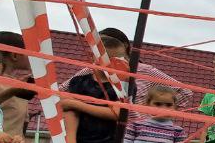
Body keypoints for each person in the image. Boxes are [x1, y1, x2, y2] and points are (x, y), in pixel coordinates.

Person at [64, 27, 192, 111]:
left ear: (123, 46)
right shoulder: (92, 70)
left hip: (133, 134)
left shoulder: (145, 71)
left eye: (105, 44)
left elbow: (185, 92)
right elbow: (61, 91)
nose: (101, 52)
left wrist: (154, 113)